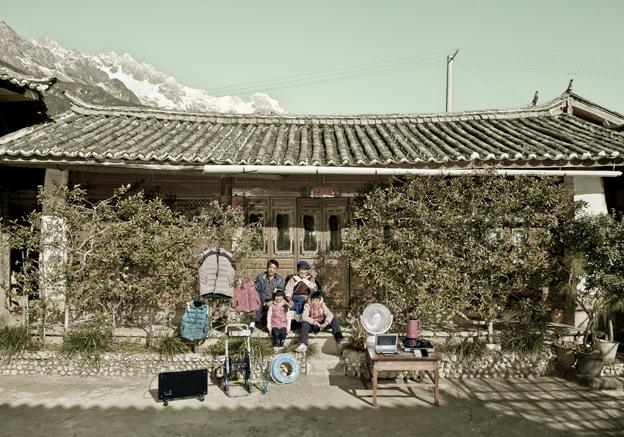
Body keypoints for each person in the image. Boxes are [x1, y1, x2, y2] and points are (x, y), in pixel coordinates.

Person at [250, 259, 285, 330]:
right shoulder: (260, 277)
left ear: (276, 270)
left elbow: (279, 293)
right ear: (267, 267)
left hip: (272, 299)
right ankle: (252, 324)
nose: (271, 270)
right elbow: (256, 291)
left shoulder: (280, 279)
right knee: (257, 301)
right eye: (270, 267)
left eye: (274, 268)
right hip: (261, 298)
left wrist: (272, 301)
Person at [266, 289, 292, 353]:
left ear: (283, 297)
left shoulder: (285, 306)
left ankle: (281, 345)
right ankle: (276, 345)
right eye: (276, 296)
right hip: (274, 324)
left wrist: (288, 329)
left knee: (283, 333)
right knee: (276, 333)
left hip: (283, 324)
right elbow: (269, 317)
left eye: (280, 296)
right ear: (274, 297)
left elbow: (288, 318)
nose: (278, 298)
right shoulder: (272, 306)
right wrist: (269, 328)